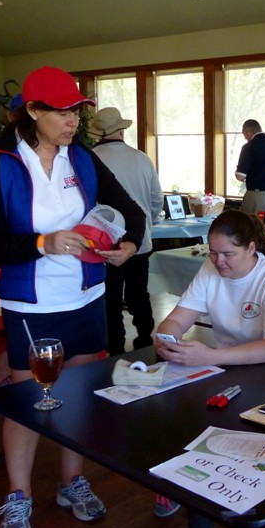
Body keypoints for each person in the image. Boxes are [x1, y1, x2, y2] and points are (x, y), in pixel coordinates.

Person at [0, 65, 146, 528]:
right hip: (31, 301)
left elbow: (131, 212)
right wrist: (43, 242)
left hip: (88, 296)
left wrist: (128, 245)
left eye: (77, 111)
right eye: (63, 111)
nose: (73, 121)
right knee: (29, 401)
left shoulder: (83, 159)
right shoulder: (2, 160)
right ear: (32, 111)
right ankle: (19, 492)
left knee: (81, 394)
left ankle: (72, 481)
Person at [153, 208, 265, 528]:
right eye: (213, 252)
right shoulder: (210, 270)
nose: (219, 261)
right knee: (179, 407)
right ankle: (185, 482)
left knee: (236, 426)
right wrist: (167, 336)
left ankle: (243, 516)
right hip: (227, 366)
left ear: (251, 248)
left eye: (228, 254)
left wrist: (211, 356)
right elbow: (178, 316)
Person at [90, 107, 164, 355]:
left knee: (109, 298)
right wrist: (147, 224)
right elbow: (156, 200)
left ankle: (115, 346)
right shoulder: (142, 158)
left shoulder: (90, 160)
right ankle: (144, 337)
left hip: (105, 242)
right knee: (138, 293)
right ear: (122, 130)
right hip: (139, 241)